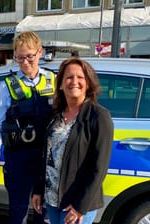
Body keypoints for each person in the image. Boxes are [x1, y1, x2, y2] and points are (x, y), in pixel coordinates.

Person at [31, 57, 114, 224]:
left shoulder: (98, 116)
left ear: (88, 84)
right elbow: (44, 157)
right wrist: (38, 190)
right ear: (60, 84)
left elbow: (99, 168)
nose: (74, 81)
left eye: (80, 77)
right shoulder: (55, 115)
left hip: (76, 203)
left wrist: (80, 206)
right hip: (53, 198)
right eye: (68, 77)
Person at [0, 31, 56, 224]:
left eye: (30, 56)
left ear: (40, 52)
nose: (25, 62)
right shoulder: (7, 84)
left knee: (46, 213)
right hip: (19, 158)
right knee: (19, 212)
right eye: (19, 57)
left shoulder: (53, 80)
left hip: (48, 158)